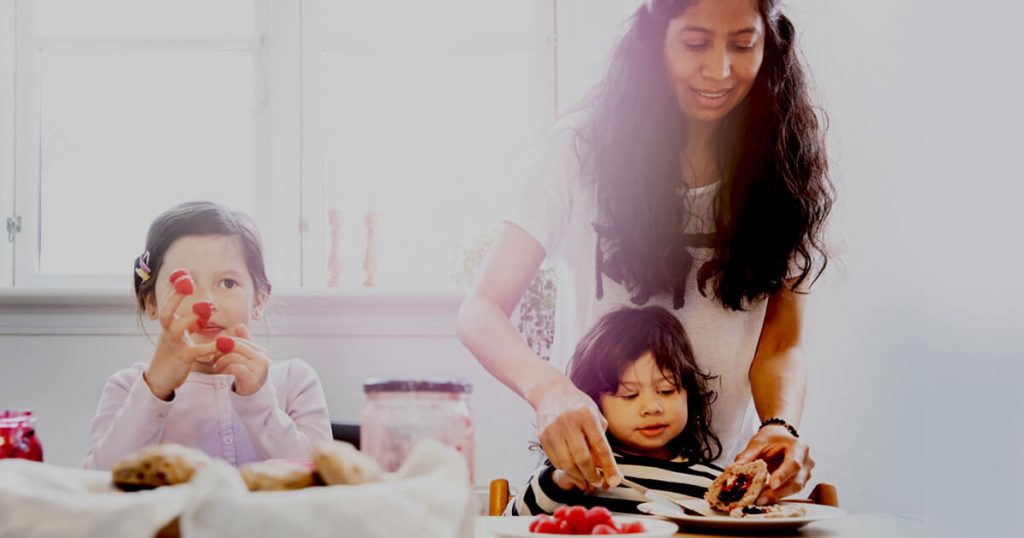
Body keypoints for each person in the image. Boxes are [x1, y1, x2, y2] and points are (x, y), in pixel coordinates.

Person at [458, 0, 832, 503]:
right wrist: (547, 389)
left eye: (743, 45)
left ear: (771, 43)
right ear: (654, 43)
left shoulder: (787, 164)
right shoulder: (580, 149)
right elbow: (481, 311)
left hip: (715, 490)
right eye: (696, 43)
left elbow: (782, 343)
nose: (720, 69)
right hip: (596, 485)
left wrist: (781, 424)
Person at [84, 201, 332, 469]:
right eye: (183, 284)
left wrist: (257, 400)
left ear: (259, 299)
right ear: (150, 302)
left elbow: (323, 483)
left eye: (228, 283)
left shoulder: (294, 382)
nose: (206, 303)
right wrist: (155, 388)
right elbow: (100, 480)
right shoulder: (128, 387)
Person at [507, 306, 723, 515]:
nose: (652, 408)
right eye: (629, 395)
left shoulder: (712, 483)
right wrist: (562, 480)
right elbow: (512, 520)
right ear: (593, 403)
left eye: (666, 391)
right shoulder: (582, 469)